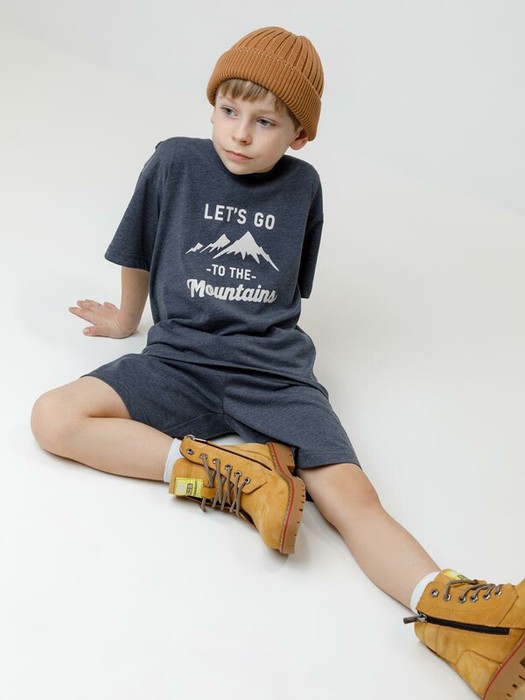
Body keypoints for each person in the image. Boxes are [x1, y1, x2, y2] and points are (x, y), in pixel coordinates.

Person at [30, 26, 523, 698]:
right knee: (54, 418)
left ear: (299, 134)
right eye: (228, 110)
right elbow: (139, 246)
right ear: (210, 106)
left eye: (265, 122)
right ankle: (235, 474)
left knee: (352, 497)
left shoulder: (303, 186)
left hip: (274, 373)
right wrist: (125, 319)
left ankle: (454, 617)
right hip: (177, 361)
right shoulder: (174, 162)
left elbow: (286, 291)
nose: (239, 133)